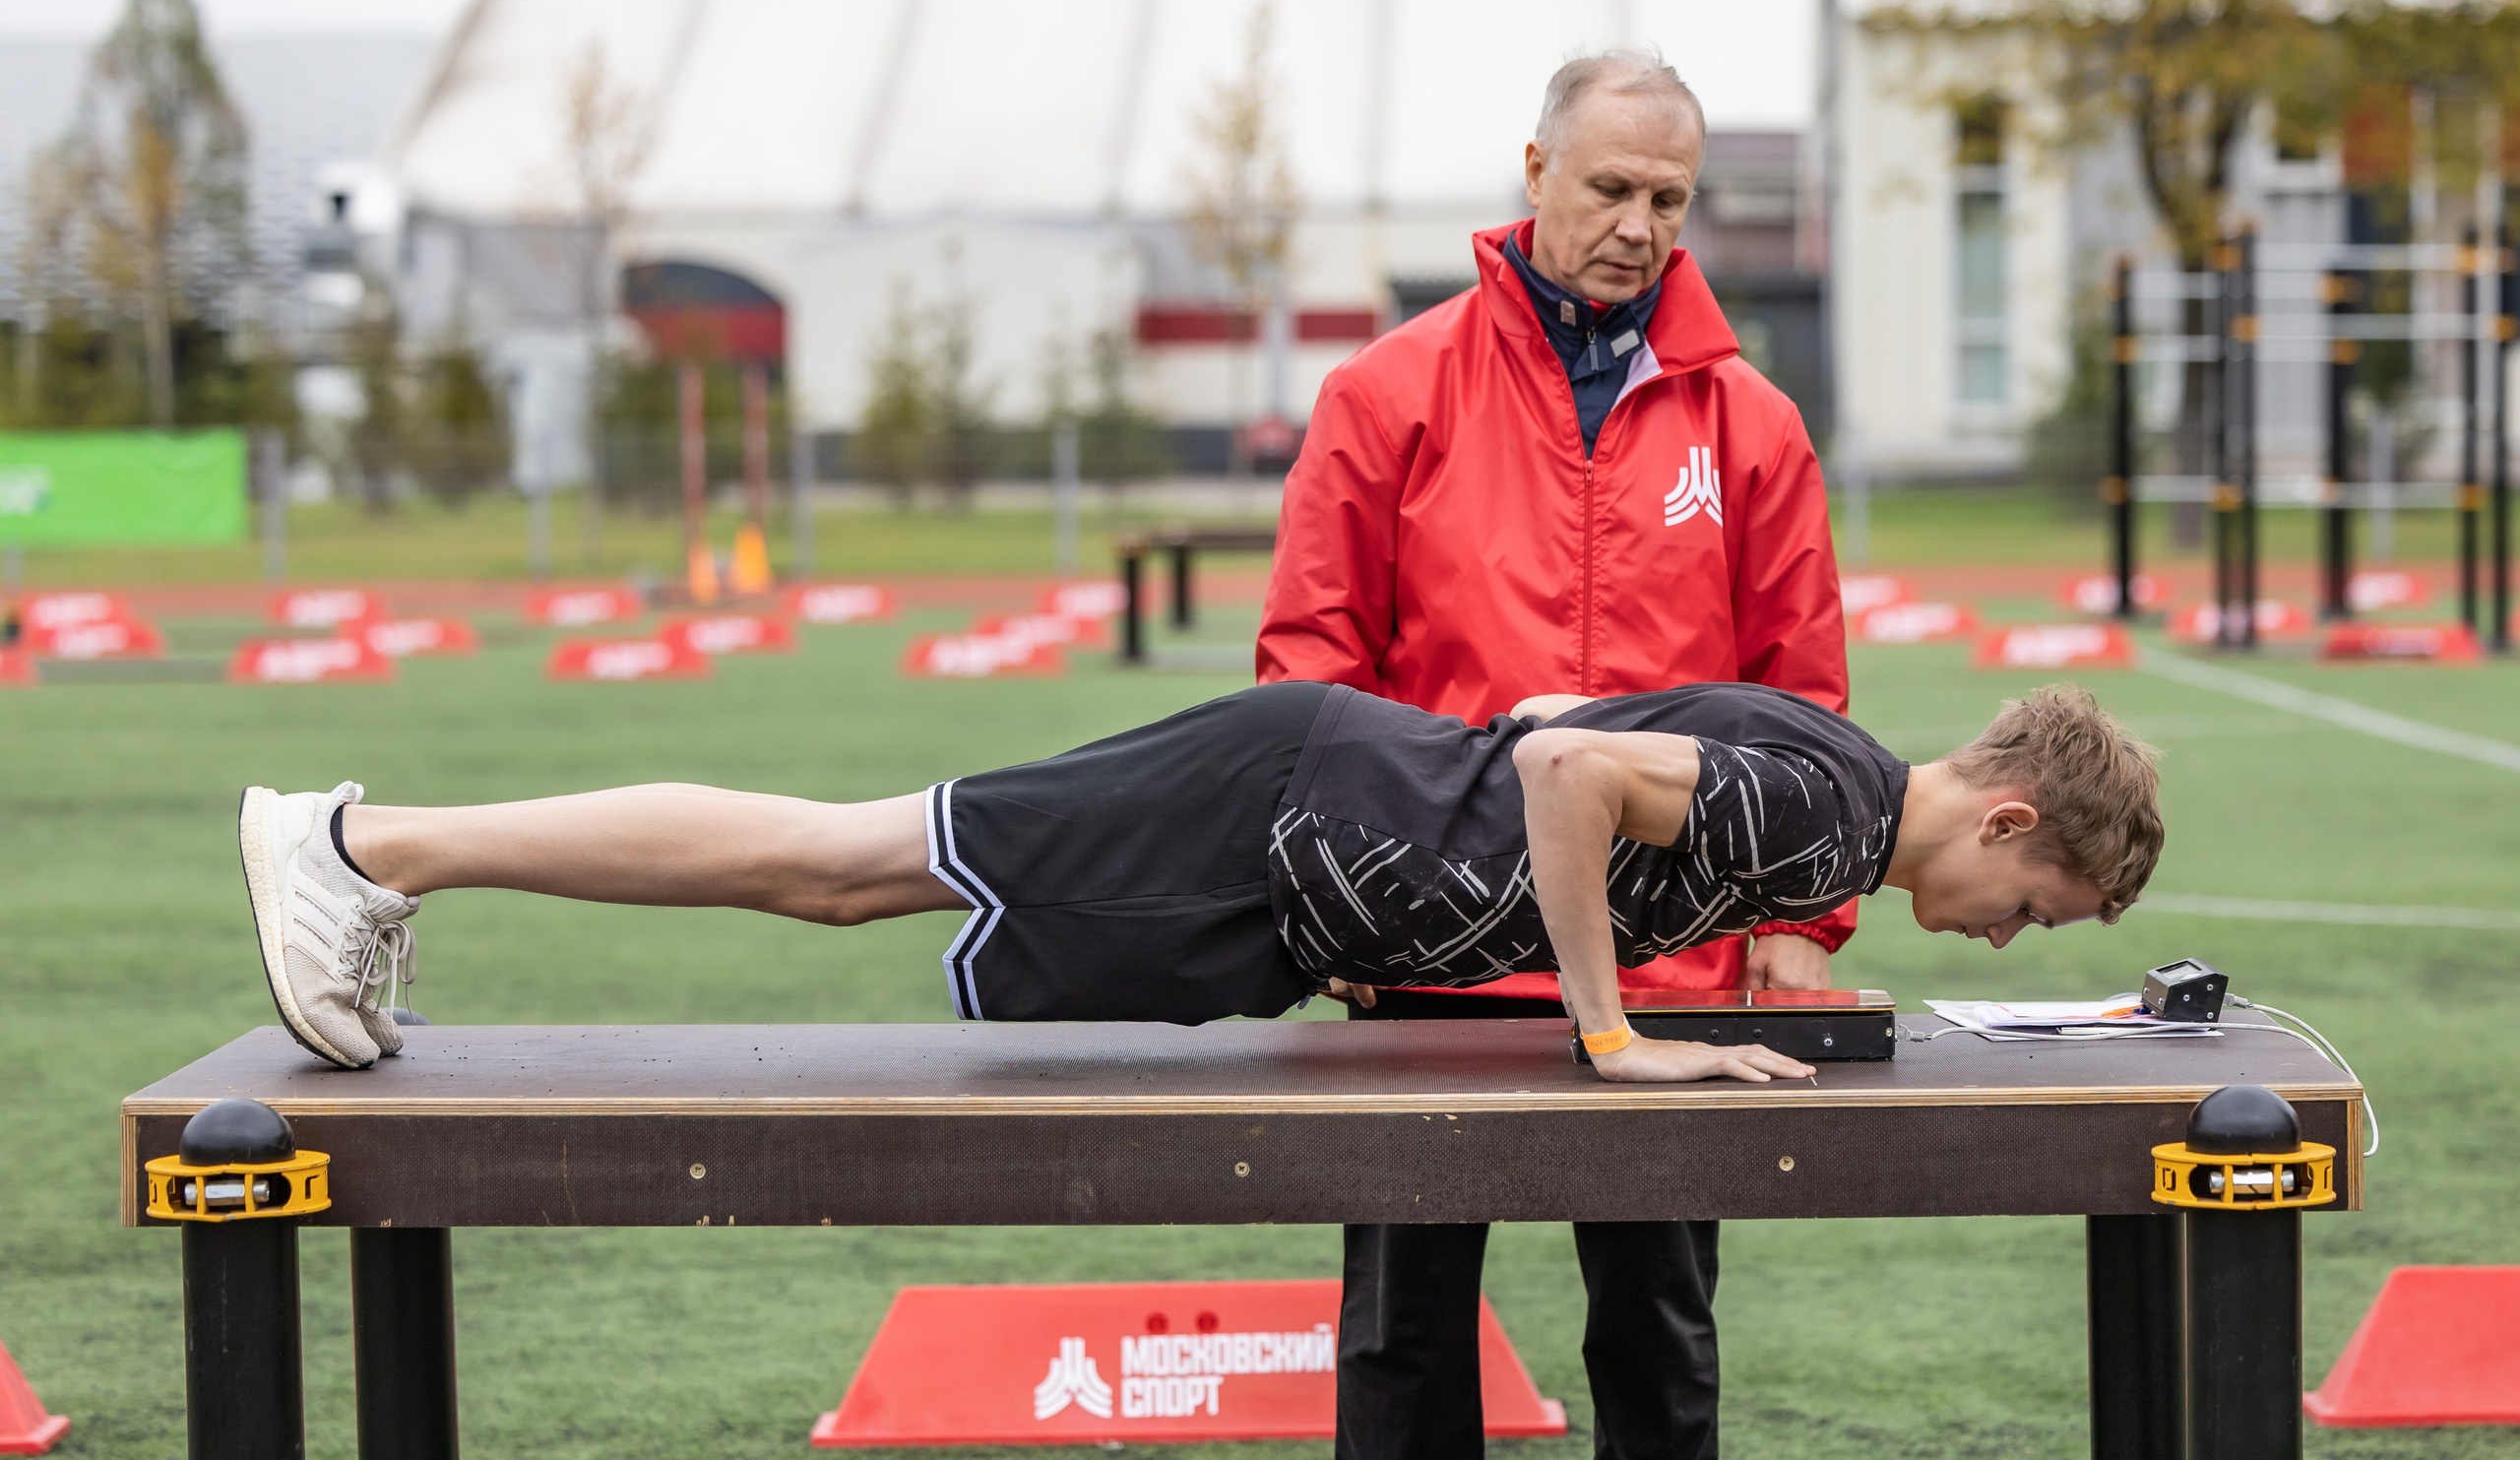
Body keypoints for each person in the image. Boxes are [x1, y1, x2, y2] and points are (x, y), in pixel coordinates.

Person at [1258, 48, 1846, 1458]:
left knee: (1659, 1328)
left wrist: (1803, 918)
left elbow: (1802, 697)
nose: (1639, 222)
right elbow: (1312, 657)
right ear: (1535, 175)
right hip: (1434, 932)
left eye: (1669, 196)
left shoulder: (1752, 425)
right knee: (1402, 1330)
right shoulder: (1389, 392)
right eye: (1610, 185)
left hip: (1669, 942)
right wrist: (1334, 887)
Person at [238, 680, 2160, 1074]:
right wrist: (1606, 1034)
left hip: (1289, 831)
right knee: (834, 866)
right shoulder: (1825, 815)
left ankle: (381, 851)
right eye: (2037, 911)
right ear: (2006, 821)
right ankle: (366, 843)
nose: (2009, 936)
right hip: (1263, 813)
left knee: (839, 871)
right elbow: (1569, 765)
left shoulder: (1821, 773)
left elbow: (1559, 723)